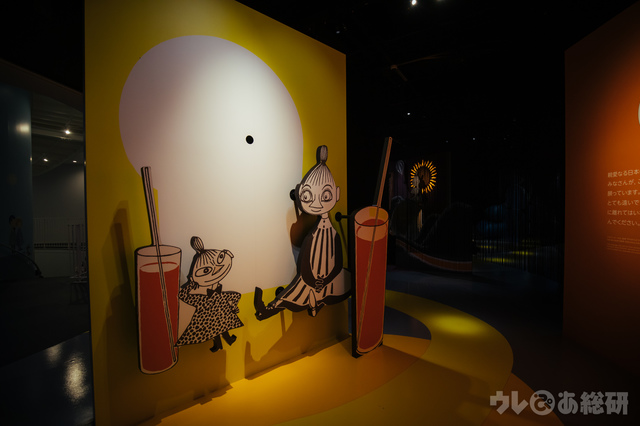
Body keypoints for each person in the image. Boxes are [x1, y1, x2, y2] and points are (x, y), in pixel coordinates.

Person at [254, 145, 349, 319]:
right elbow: (306, 263)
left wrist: (326, 280)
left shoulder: (332, 235)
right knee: (297, 291)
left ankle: (317, 302)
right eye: (307, 196)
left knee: (339, 283)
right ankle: (270, 308)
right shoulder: (312, 235)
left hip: (328, 279)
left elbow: (337, 261)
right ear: (299, 194)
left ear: (336, 195)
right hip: (310, 278)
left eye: (325, 197)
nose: (316, 203)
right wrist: (313, 280)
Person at [176, 236, 243, 353]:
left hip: (221, 315)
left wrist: (233, 306)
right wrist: (190, 285)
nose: (216, 269)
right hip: (210, 319)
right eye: (206, 270)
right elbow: (184, 296)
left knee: (221, 326)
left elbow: (235, 296)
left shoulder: (215, 295)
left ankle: (227, 340)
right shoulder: (202, 299)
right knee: (214, 328)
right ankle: (220, 343)